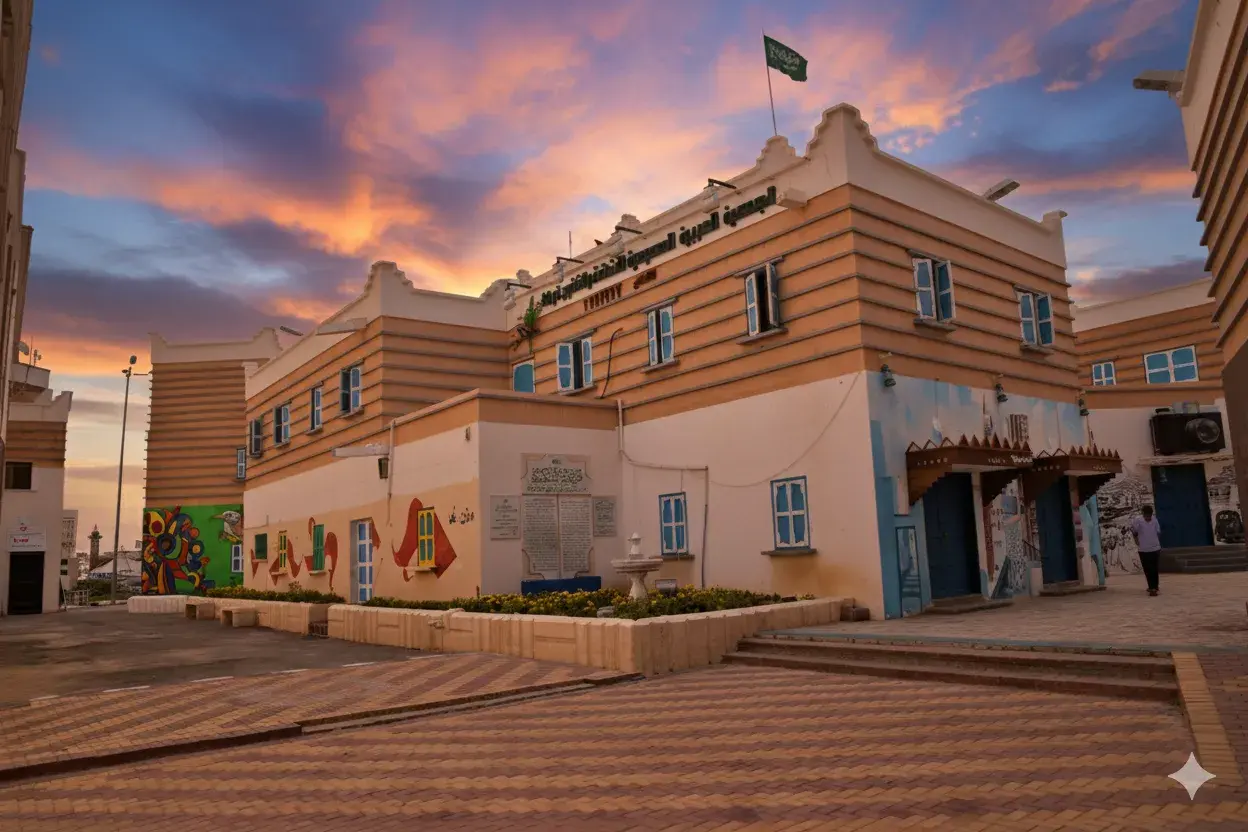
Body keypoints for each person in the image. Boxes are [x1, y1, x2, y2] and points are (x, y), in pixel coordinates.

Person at [1130, 505, 1163, 596]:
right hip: (1143, 549)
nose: (1148, 518)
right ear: (1143, 514)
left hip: (1155, 548)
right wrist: (1137, 540)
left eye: (1149, 516)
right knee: (1147, 569)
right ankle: (1151, 586)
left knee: (1154, 568)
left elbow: (1158, 532)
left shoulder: (1154, 520)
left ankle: (1154, 587)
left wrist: (1156, 542)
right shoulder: (1138, 520)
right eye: (1147, 516)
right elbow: (1134, 531)